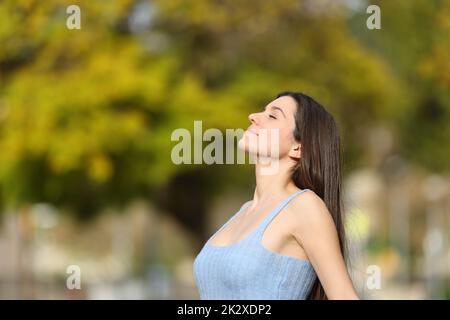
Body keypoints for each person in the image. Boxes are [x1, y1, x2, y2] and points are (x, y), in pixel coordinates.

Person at [193, 91, 359, 300]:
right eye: (263, 111)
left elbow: (344, 295)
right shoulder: (242, 211)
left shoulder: (304, 207)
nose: (253, 116)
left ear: (299, 147)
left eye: (272, 116)